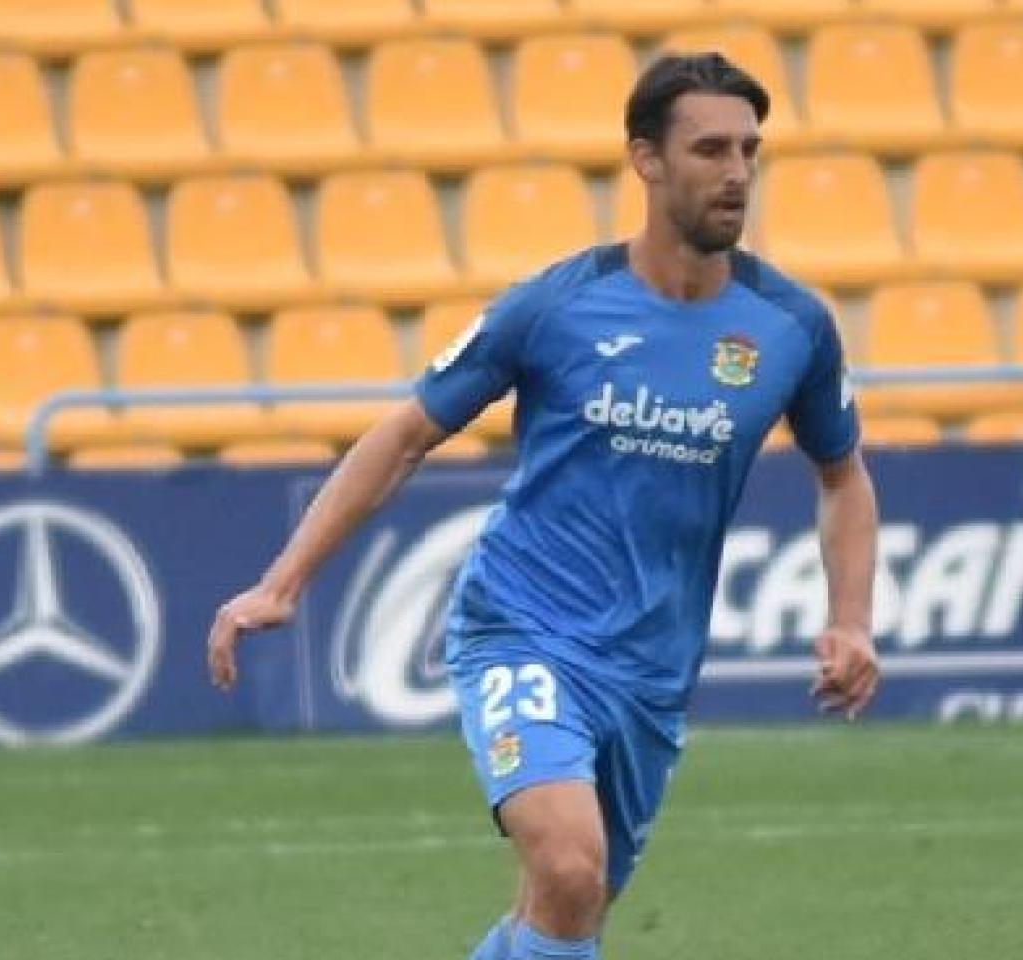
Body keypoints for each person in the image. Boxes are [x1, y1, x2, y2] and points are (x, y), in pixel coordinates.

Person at [206, 52, 880, 960]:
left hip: (651, 668)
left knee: (564, 910)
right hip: (523, 626)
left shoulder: (790, 328)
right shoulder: (557, 307)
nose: (736, 174)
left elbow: (842, 475)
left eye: (749, 151)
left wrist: (851, 619)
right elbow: (403, 434)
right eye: (710, 149)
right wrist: (282, 583)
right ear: (645, 159)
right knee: (568, 867)